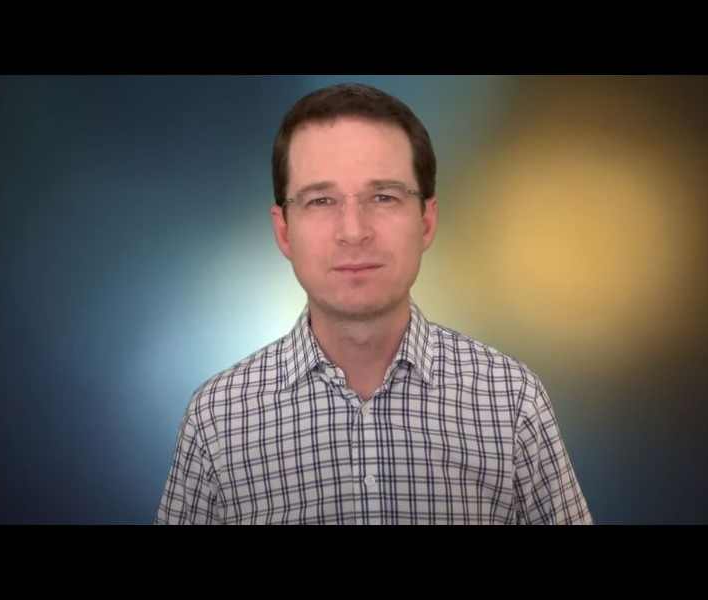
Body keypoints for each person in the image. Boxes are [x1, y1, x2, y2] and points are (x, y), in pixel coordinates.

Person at [156, 82, 593, 525]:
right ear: (284, 231)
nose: (353, 231)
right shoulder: (218, 417)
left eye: (383, 197)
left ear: (426, 220)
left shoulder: (511, 400)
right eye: (320, 200)